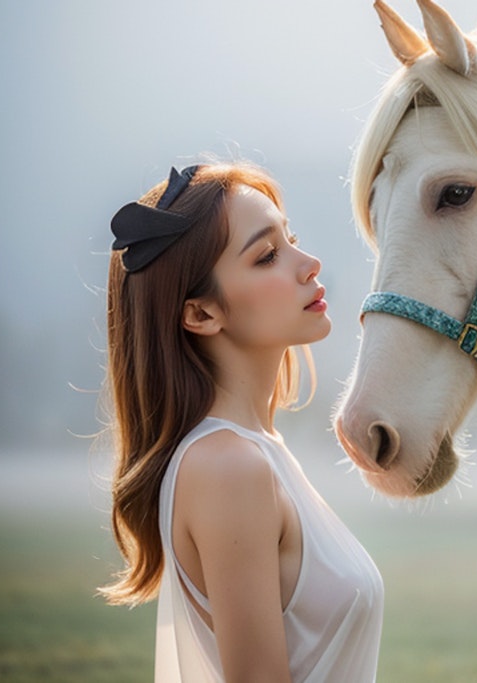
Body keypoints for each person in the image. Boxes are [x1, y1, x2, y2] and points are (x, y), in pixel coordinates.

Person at [98, 161, 383, 682]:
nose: (310, 263)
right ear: (202, 314)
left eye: (291, 239)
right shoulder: (227, 467)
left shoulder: (255, 451)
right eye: (268, 255)